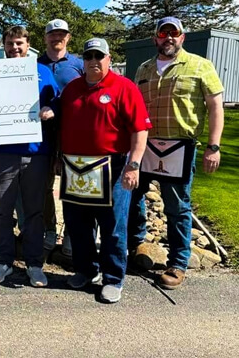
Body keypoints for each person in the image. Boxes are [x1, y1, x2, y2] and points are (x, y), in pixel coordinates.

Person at [129, 17, 224, 290]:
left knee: (177, 206)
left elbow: (215, 107)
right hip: (145, 145)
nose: (168, 37)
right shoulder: (144, 69)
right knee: (133, 197)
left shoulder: (200, 66)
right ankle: (137, 245)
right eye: (163, 32)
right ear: (155, 38)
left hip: (179, 147)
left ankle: (178, 263)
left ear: (182, 37)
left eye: (174, 33)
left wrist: (213, 146)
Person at [58, 38, 150, 303]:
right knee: (78, 225)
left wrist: (134, 165)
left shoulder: (124, 87)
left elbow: (139, 130)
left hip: (113, 166)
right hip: (76, 167)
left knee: (113, 226)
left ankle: (113, 278)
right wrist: (57, 157)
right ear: (83, 60)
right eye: (89, 57)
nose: (94, 61)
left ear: (109, 59)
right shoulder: (72, 89)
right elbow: (63, 128)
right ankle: (86, 270)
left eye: (99, 56)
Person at [0, 26, 59, 287]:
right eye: (10, 43)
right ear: (3, 45)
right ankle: (3, 261)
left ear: (28, 45)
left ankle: (34, 264)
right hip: (1, 153)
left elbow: (56, 102)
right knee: (2, 212)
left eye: (19, 43)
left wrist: (51, 109)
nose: (14, 48)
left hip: (35, 154)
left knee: (34, 213)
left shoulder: (42, 72)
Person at [38, 19, 84, 255]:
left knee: (71, 185)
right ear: (45, 38)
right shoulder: (35, 64)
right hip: (44, 133)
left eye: (61, 34)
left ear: (68, 37)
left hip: (73, 133)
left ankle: (70, 232)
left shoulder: (79, 63)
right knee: (44, 186)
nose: (57, 38)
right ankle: (48, 228)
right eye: (52, 34)